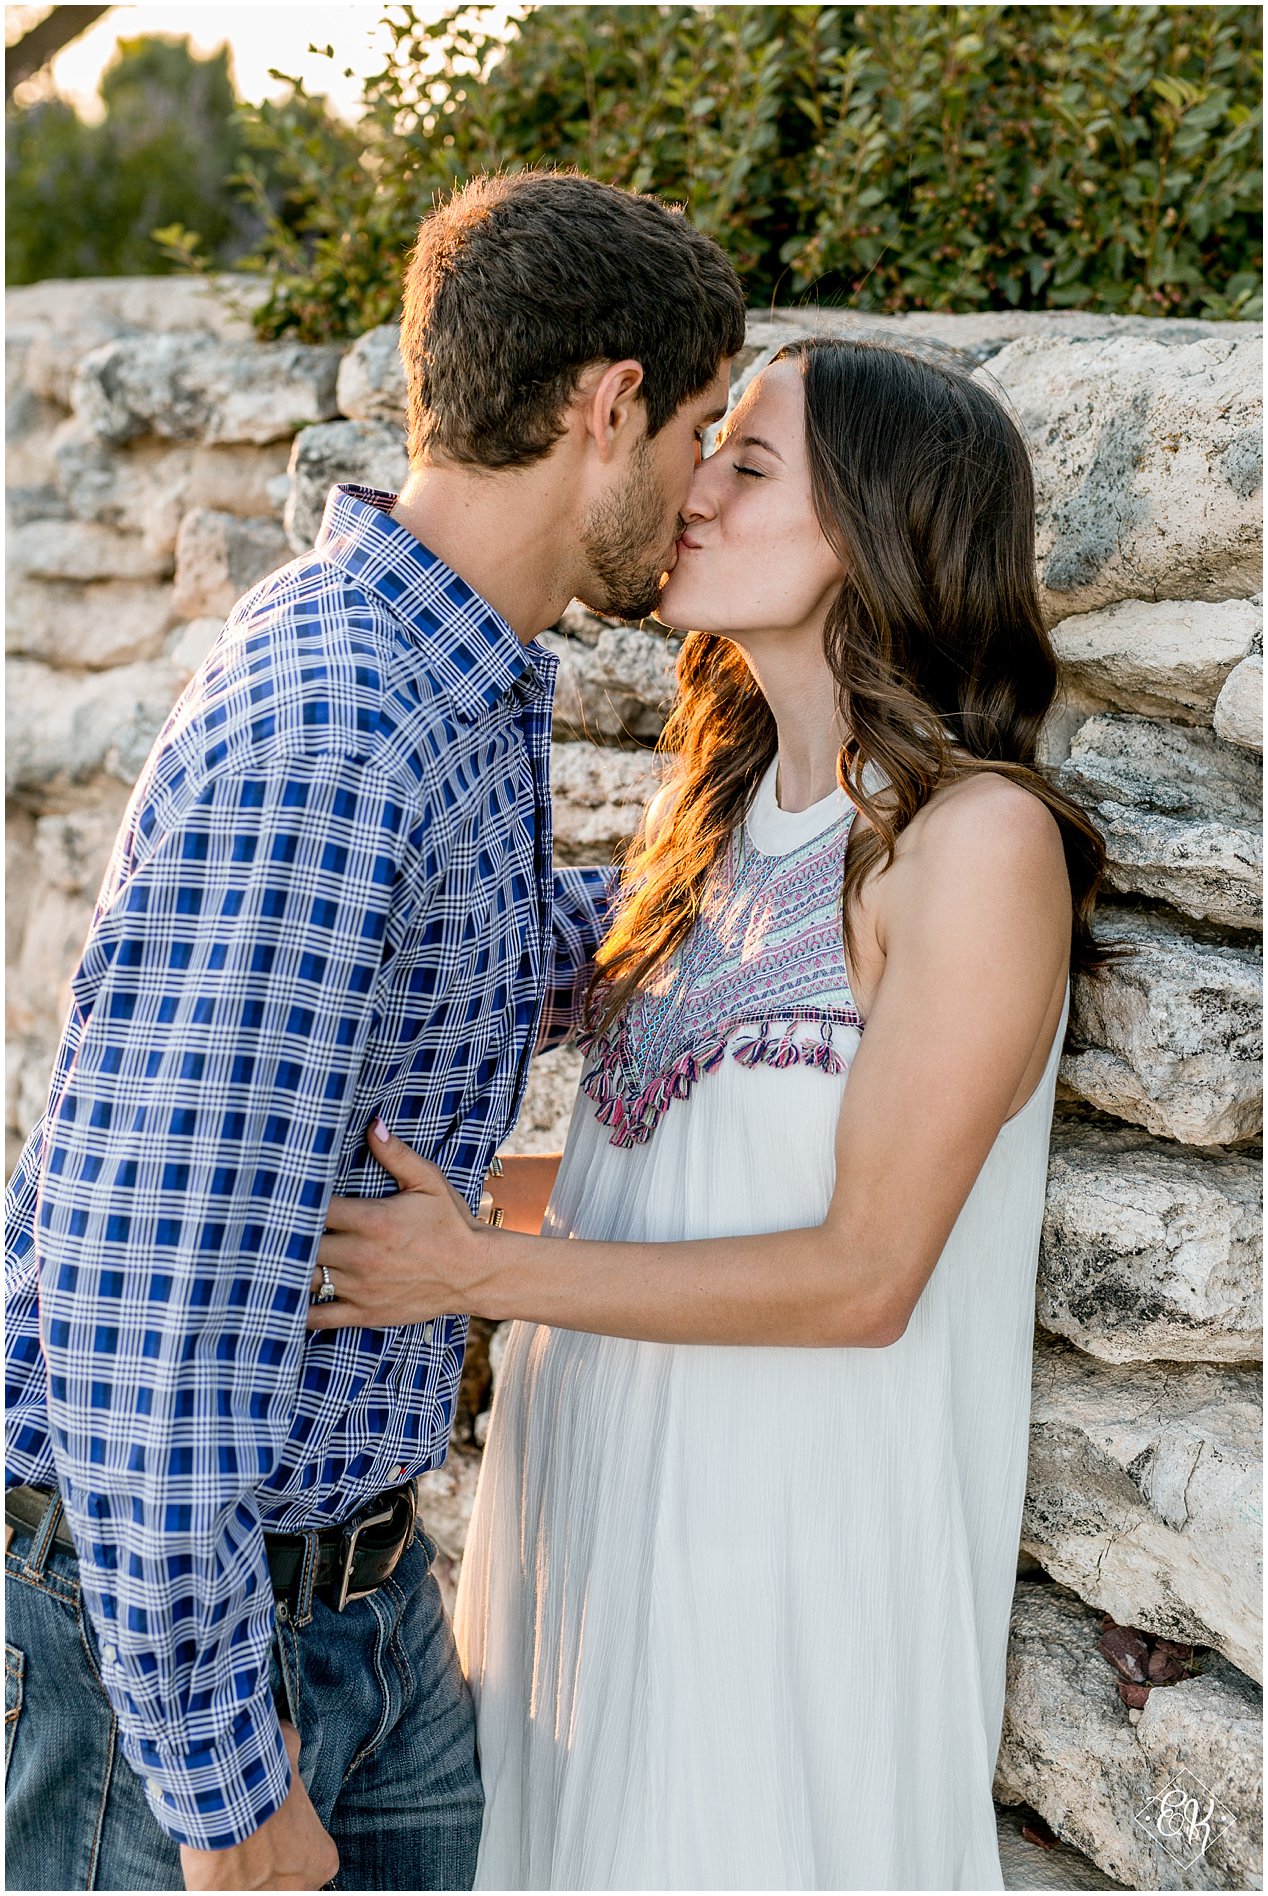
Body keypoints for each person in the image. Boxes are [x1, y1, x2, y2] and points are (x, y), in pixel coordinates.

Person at [3, 168, 744, 1893]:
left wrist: (776, 864)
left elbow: (484, 963)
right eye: (706, 428)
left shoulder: (459, 673)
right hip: (190, 1657)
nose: (706, 486)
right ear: (608, 404)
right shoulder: (337, 731)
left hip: (364, 1604)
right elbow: (147, 1290)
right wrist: (216, 1784)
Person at [305, 336, 1114, 1890]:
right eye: (708, 447)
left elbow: (865, 1275)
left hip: (779, 1558)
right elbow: (657, 1181)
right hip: (590, 1529)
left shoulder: (973, 843)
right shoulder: (719, 821)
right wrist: (399, 1219)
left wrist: (474, 1271)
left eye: (751, 465)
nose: (694, 490)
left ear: (879, 527)